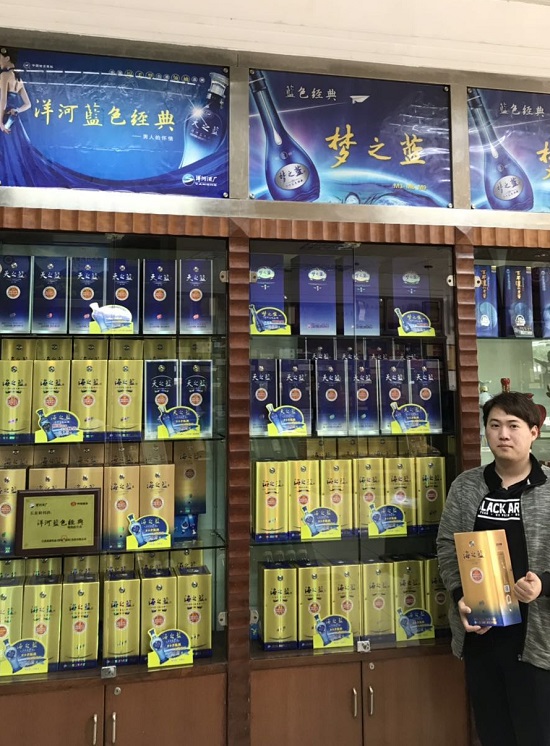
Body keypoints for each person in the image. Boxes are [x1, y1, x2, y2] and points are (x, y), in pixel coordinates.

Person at [437, 391, 550, 746]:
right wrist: (460, 595)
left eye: (513, 426)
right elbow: (447, 546)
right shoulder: (467, 486)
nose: (503, 434)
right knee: (493, 734)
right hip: (482, 637)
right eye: (494, 425)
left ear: (534, 432)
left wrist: (543, 584)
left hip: (537, 641)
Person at [0, 47, 30, 134]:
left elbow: (3, 101)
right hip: (13, 119)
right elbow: (28, 104)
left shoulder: (4, 75)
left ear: (7, 58)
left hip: (4, 117)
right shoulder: (19, 80)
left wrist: (0, 122)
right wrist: (17, 110)